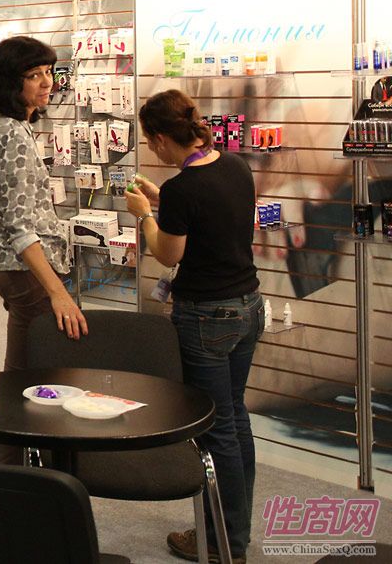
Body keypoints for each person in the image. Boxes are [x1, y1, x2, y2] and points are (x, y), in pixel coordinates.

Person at [126, 89, 262, 564]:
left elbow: (169, 253)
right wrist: (164, 201)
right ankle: (235, 532)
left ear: (162, 138)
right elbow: (212, 216)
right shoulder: (236, 166)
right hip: (248, 306)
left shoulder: (184, 189)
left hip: (206, 316)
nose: (153, 150)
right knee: (235, 418)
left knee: (214, 430)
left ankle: (223, 542)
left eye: (151, 141)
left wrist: (146, 215)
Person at [0, 36, 87, 463]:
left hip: (11, 270)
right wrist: (57, 292)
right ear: (11, 82)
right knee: (34, 381)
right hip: (28, 273)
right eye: (33, 75)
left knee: (20, 375)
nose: (46, 83)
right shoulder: (13, 135)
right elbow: (21, 229)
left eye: (48, 72)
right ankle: (10, 473)